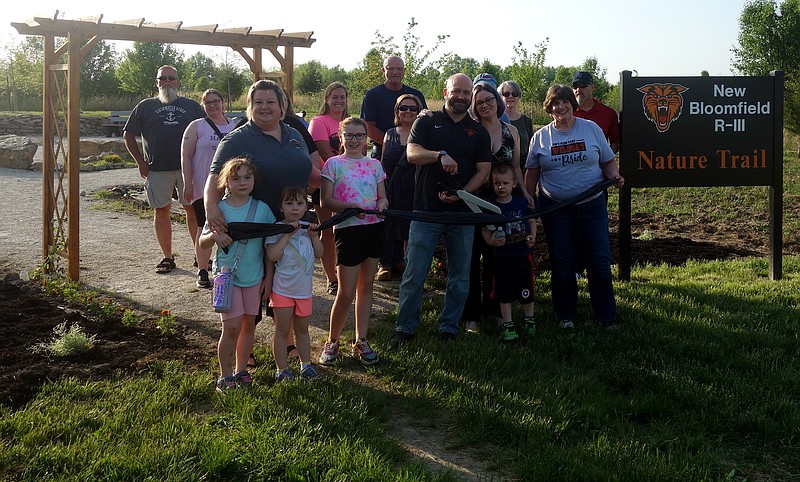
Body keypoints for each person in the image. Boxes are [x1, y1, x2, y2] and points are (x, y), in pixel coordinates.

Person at [206, 79, 320, 369]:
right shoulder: (239, 137)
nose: (265, 107)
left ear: (282, 106)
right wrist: (210, 207)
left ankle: (290, 340)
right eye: (259, 102)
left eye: (271, 102)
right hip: (255, 227)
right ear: (250, 106)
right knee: (253, 288)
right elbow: (214, 175)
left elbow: (314, 171)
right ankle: (245, 351)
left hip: (292, 224)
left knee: (289, 282)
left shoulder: (295, 134)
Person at [393, 73, 492, 343]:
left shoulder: (478, 131)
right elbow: (412, 153)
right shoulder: (427, 121)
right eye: (456, 91)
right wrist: (439, 155)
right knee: (415, 274)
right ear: (445, 91)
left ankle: (449, 327)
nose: (461, 96)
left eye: (465, 92)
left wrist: (463, 194)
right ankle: (406, 327)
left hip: (462, 215)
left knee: (460, 277)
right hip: (426, 212)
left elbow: (484, 171)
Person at [524, 84, 624, 330]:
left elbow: (608, 161)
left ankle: (606, 316)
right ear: (549, 107)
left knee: (599, 260)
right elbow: (531, 174)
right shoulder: (541, 137)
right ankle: (566, 315)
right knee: (563, 261)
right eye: (555, 103)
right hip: (557, 209)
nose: (561, 107)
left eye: (565, 101)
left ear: (573, 104)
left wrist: (615, 175)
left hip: (592, 206)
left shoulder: (591, 130)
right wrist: (528, 200)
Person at [199, 157, 276, 393]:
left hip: (255, 276)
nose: (242, 182)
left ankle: (241, 370)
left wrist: (269, 277)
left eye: (247, 177)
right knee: (230, 328)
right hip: (227, 277)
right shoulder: (219, 209)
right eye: (235, 178)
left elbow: (269, 245)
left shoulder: (262, 209)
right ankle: (225, 375)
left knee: (248, 325)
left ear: (254, 179)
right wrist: (214, 236)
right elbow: (202, 243)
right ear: (226, 182)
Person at [461, 82, 531, 334]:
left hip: (502, 204)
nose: (485, 104)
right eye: (479, 102)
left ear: (497, 102)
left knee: (496, 258)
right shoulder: (469, 130)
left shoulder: (511, 131)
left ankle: (495, 309)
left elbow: (516, 168)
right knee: (470, 258)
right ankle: (471, 314)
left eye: (489, 99)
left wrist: (524, 193)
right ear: (474, 107)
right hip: (472, 203)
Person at [318, 117, 388, 365]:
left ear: (366, 138)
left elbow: (382, 198)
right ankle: (333, 340)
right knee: (346, 292)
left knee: (366, 287)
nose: (355, 140)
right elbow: (325, 201)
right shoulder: (333, 164)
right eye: (349, 135)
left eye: (360, 135)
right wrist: (351, 207)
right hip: (348, 231)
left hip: (374, 228)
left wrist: (381, 204)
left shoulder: (375, 165)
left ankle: (361, 340)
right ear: (341, 137)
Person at [124, 65, 205, 274]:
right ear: (157, 82)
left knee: (193, 210)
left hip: (188, 168)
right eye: (163, 78)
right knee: (161, 210)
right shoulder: (145, 106)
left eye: (172, 78)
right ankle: (168, 257)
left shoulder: (192, 107)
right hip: (157, 168)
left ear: (178, 82)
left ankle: (200, 255)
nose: (167, 82)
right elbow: (128, 135)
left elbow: (207, 131)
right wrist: (141, 162)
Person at [361, 56, 428, 281]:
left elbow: (426, 124)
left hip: (413, 163)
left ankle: (400, 259)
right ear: (384, 70)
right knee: (386, 212)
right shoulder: (373, 95)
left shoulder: (416, 94)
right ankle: (385, 261)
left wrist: (410, 145)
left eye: (399, 68)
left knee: (408, 212)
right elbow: (369, 127)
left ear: (404, 70)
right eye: (391, 68)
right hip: (386, 156)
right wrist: (394, 144)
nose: (395, 72)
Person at [181, 88, 239, 289]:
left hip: (229, 186)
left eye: (215, 101)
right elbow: (186, 156)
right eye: (207, 103)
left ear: (223, 102)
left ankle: (227, 267)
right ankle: (203, 269)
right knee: (203, 225)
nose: (212, 106)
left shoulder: (234, 127)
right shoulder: (197, 126)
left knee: (226, 225)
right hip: (202, 184)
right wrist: (187, 183)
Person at [265, 187, 324, 382]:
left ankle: (306, 365)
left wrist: (315, 237)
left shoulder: (309, 228)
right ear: (281, 207)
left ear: (306, 206)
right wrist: (287, 234)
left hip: (304, 292)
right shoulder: (277, 228)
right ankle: (281, 369)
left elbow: (320, 253)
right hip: (282, 290)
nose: (295, 208)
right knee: (283, 331)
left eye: (299, 203)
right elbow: (272, 256)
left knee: (303, 330)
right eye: (289, 203)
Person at [481, 163, 537, 342]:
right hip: (502, 258)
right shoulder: (490, 206)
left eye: (505, 183)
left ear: (514, 184)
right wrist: (491, 241)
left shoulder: (522, 202)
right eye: (497, 183)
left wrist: (532, 237)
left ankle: (530, 320)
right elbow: (485, 229)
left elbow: (532, 221)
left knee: (526, 289)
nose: (501, 187)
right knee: (504, 293)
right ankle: (508, 324)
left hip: (522, 256)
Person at [308, 82, 350, 296]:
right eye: (334, 96)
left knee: (347, 230)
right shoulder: (319, 122)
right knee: (329, 230)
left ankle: (345, 272)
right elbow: (325, 153)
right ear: (326, 99)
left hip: (351, 185)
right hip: (326, 182)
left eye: (342, 97)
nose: (339, 100)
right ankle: (331, 278)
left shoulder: (350, 122)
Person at [378, 94, 423, 280]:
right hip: (392, 187)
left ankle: (401, 260)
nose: (408, 111)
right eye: (403, 108)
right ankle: (385, 263)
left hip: (414, 187)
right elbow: (381, 163)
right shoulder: (390, 134)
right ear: (397, 110)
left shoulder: (423, 134)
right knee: (388, 224)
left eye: (413, 108)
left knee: (408, 225)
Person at [572, 71, 620, 154]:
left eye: (583, 85)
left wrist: (604, 160)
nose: (578, 90)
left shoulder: (608, 113)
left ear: (592, 87)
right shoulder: (567, 113)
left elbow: (615, 144)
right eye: (575, 86)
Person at [498, 80, 534, 172]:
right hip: (502, 169)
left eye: (514, 93)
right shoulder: (496, 120)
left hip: (523, 169)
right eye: (506, 94)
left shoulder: (526, 121)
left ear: (519, 96)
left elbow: (532, 147)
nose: (510, 96)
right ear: (500, 96)